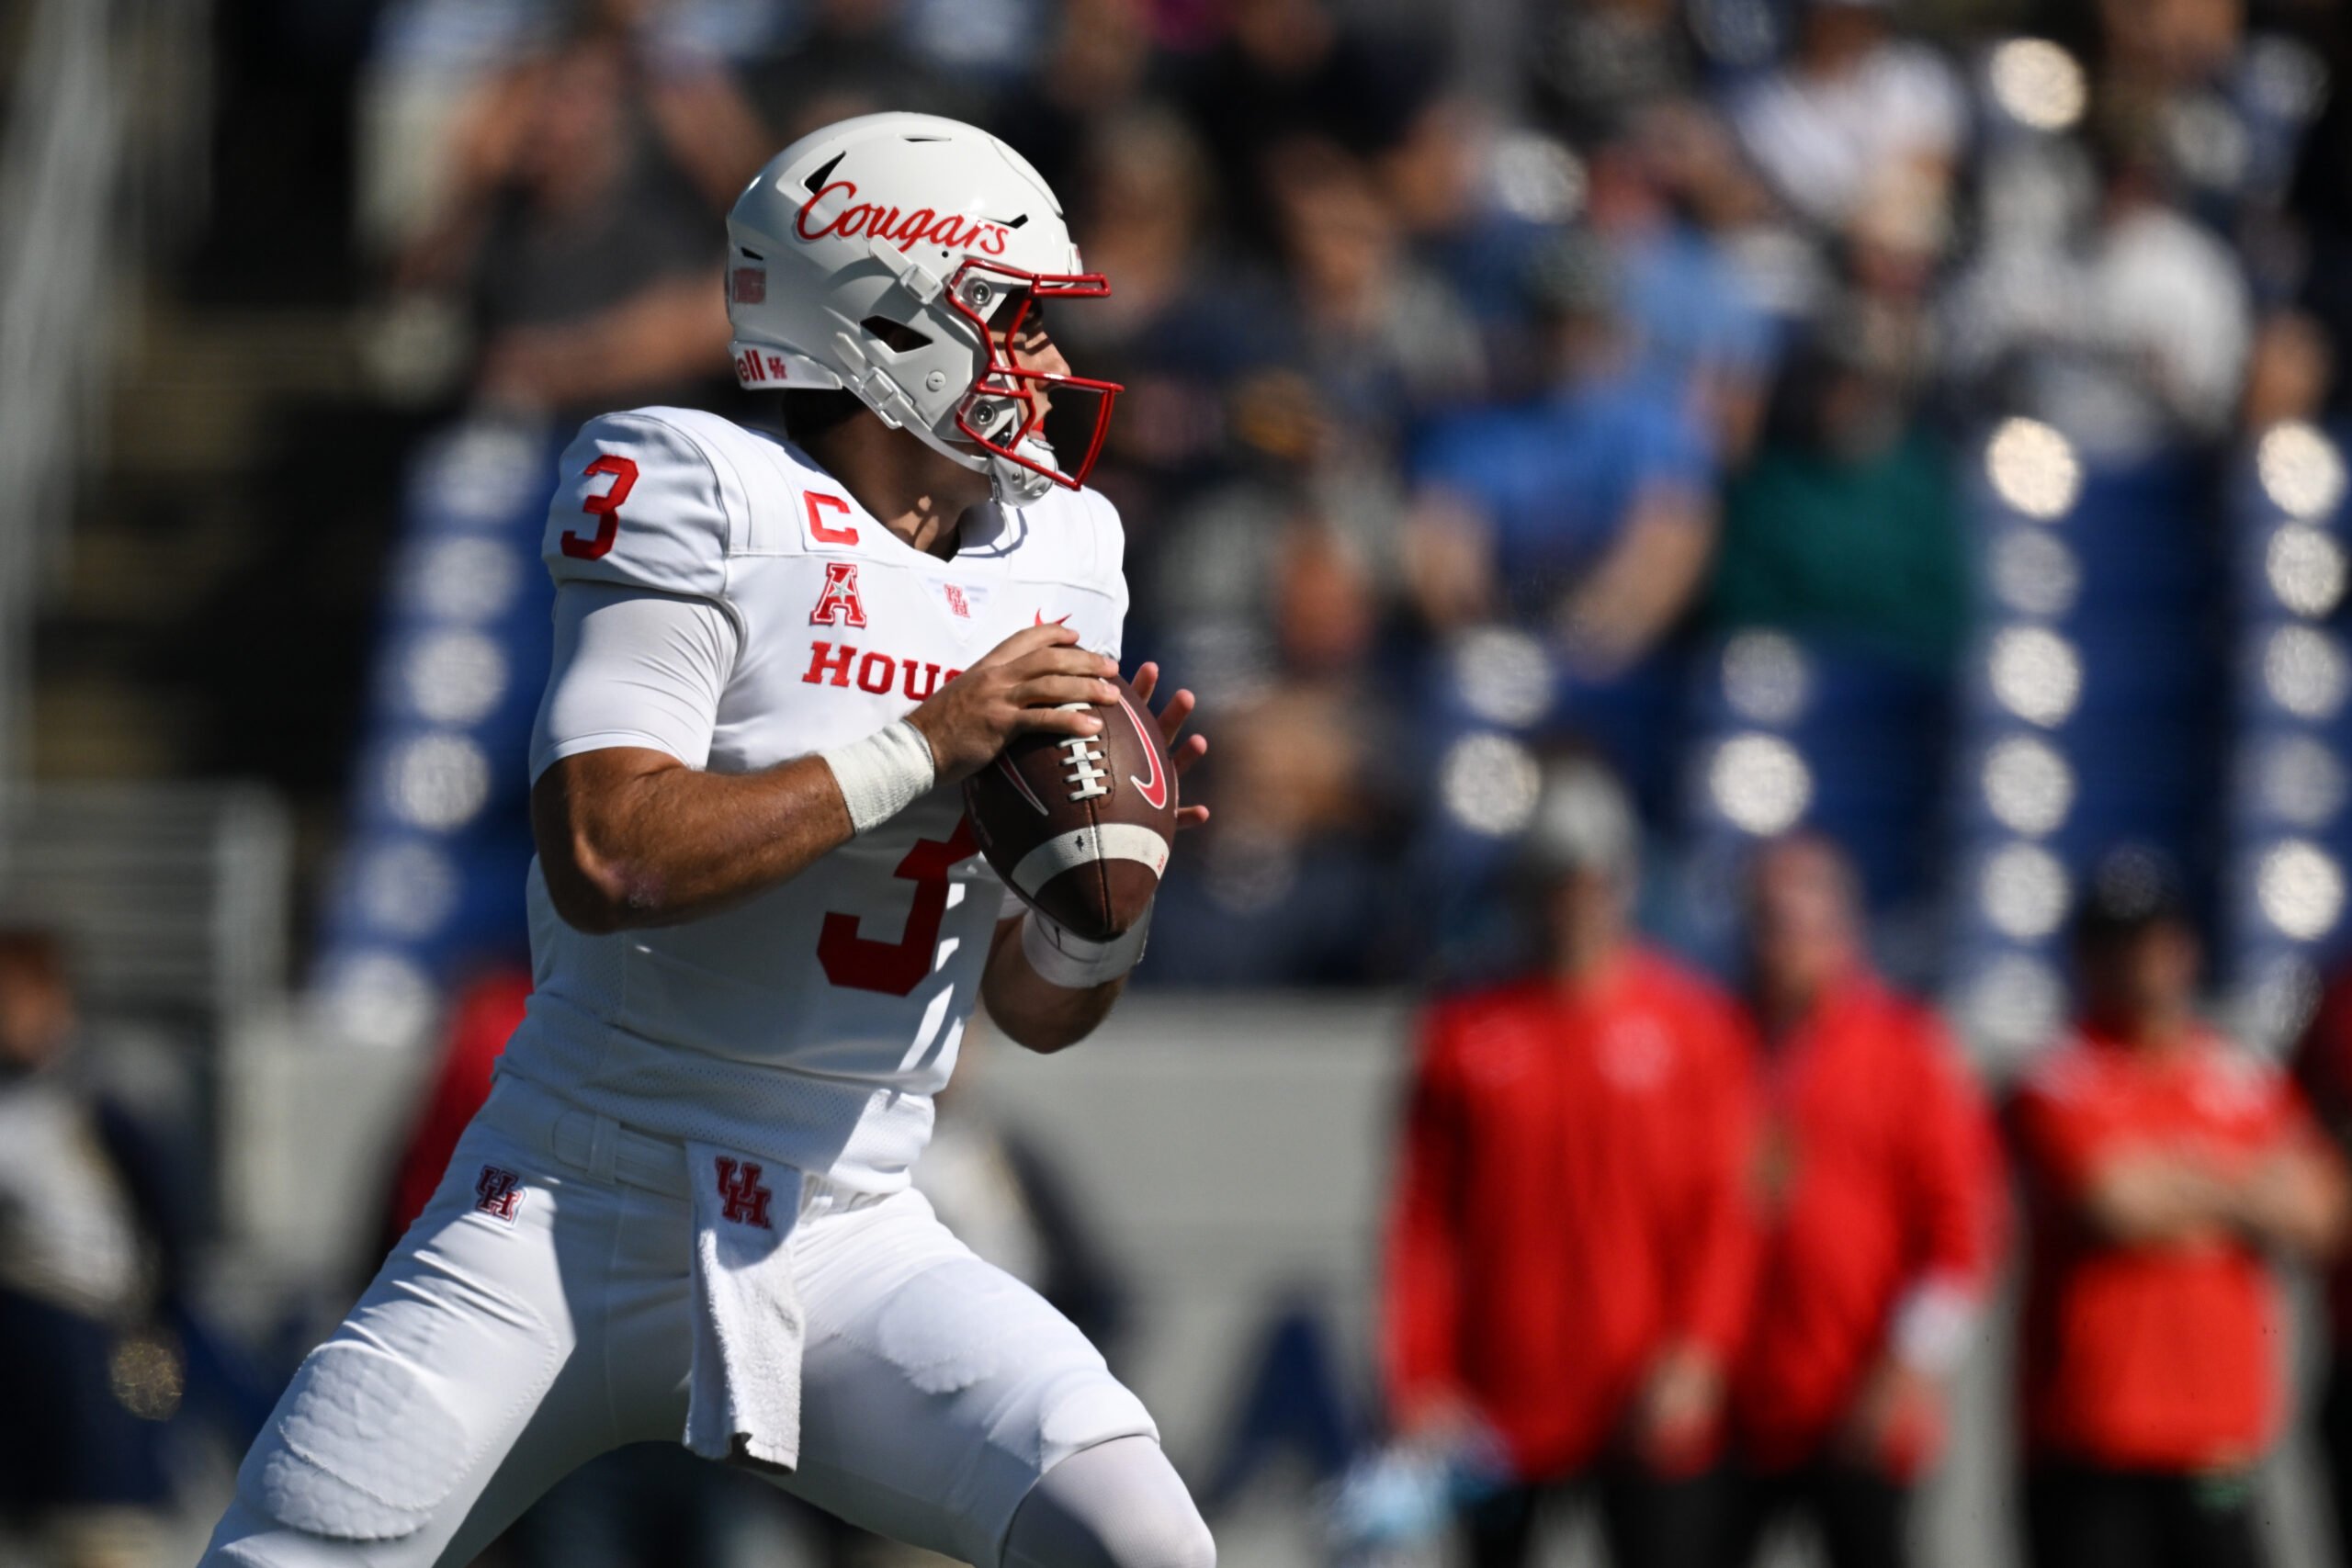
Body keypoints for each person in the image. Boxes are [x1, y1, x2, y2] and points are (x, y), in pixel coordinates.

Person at [201, 113, 1215, 1568]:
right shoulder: (695, 486)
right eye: (1014, 319)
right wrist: (928, 739)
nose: (1048, 366)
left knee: (1145, 1541)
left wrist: (1107, 896)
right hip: (567, 1196)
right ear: (886, 320)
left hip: (851, 1217)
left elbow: (1034, 1013)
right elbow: (609, 855)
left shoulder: (1067, 556)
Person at [1382, 759, 1760, 1568]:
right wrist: (1421, 1378)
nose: (1575, 904)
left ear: (1623, 886)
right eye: (1557, 882)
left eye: (1592, 881)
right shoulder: (1468, 1035)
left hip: (1644, 1391)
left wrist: (1698, 1350)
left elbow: (1725, 1213)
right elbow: (1423, 1229)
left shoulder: (1696, 1031)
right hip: (1502, 1395)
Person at [2012, 847, 2347, 1568]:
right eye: (2122, 945)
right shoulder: (2063, 1069)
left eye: (2160, 940)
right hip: (2094, 1433)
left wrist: (2184, 1177)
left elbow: (2323, 1212)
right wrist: (2247, 1189)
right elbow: (2116, 1202)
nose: (2146, 962)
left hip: (2216, 1433)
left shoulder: (2239, 1075)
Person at [1723, 836, 2005, 1568]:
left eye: (1800, 925)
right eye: (1767, 924)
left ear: (1843, 931)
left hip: (1860, 1397)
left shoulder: (1904, 1049)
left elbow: (1959, 1230)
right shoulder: (1716, 1044)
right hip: (1736, 1403)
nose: (1781, 946)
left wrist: (1905, 1367)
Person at [0, 929, 190, 1568]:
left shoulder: (99, 1097)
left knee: (106, 1537)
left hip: (94, 1367)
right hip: (19, 1387)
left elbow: (167, 1238)